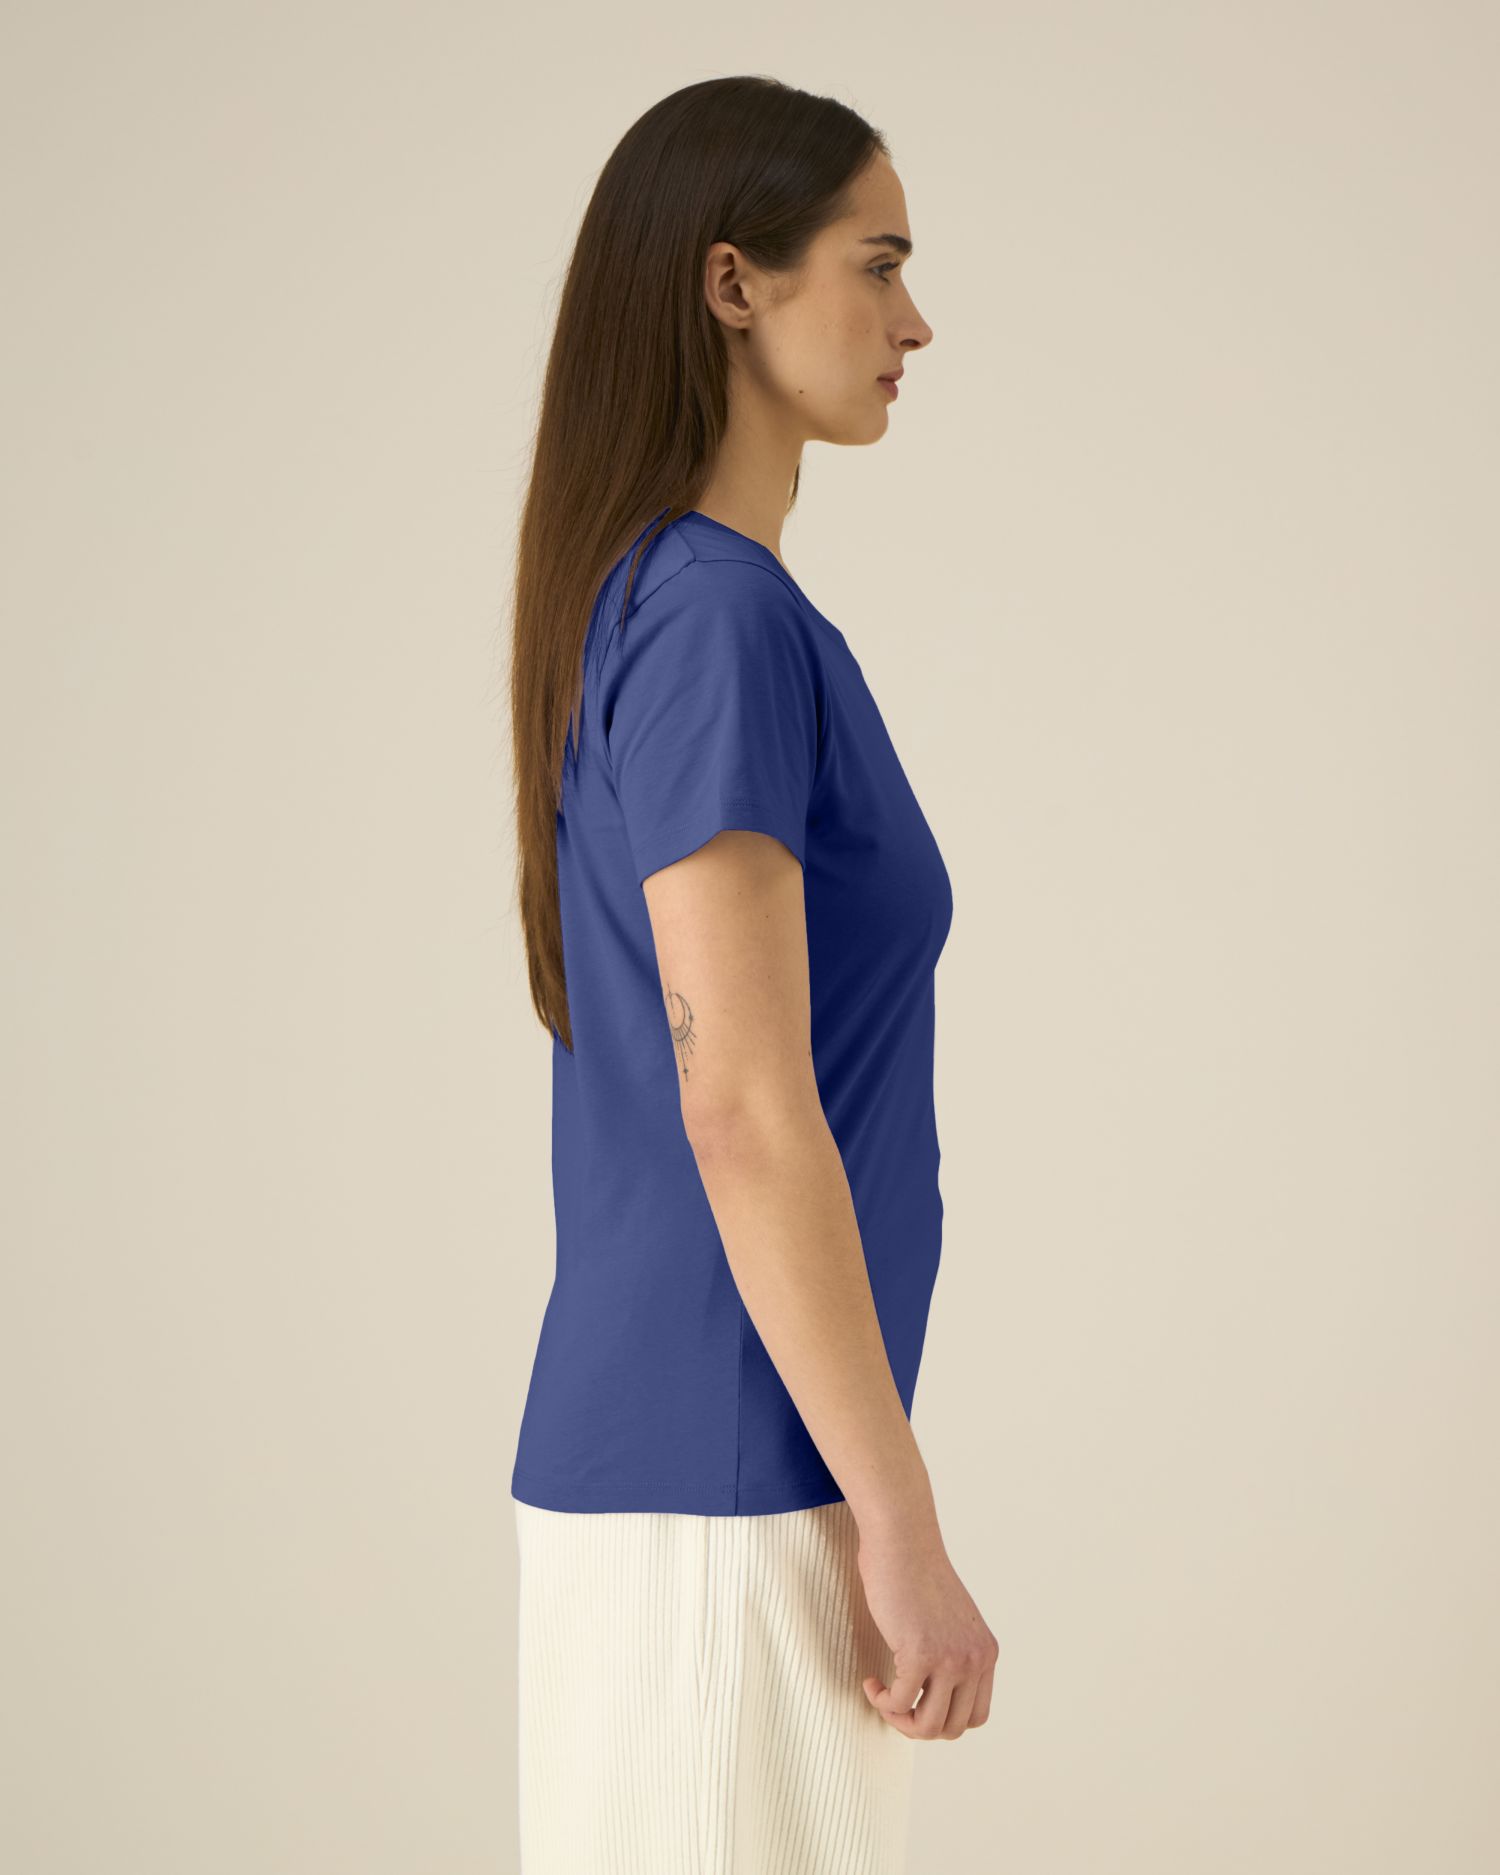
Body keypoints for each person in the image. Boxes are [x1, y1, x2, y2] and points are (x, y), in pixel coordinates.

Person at [506, 73, 997, 1873]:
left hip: (706, 1464)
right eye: (879, 264)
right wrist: (899, 1519)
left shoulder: (676, 604)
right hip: (729, 1477)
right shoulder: (712, 617)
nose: (915, 322)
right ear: (733, 282)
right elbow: (742, 1101)